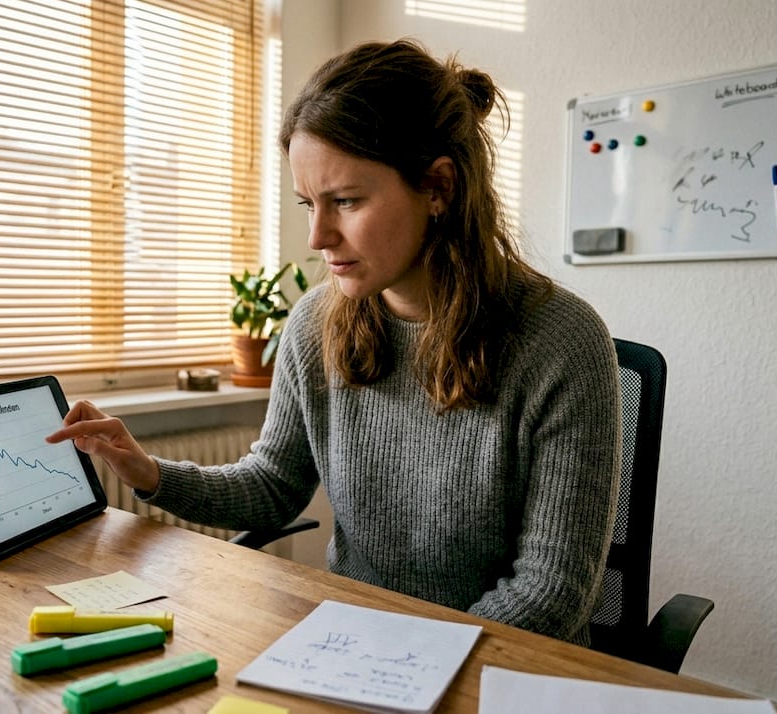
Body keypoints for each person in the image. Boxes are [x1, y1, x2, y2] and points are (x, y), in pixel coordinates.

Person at [47, 39, 620, 646]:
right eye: (308, 204)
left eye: (345, 201)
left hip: (500, 667)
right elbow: (272, 486)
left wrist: (411, 663)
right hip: (355, 644)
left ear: (438, 187)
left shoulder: (561, 342)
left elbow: (550, 593)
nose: (319, 235)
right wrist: (149, 472)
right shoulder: (315, 322)